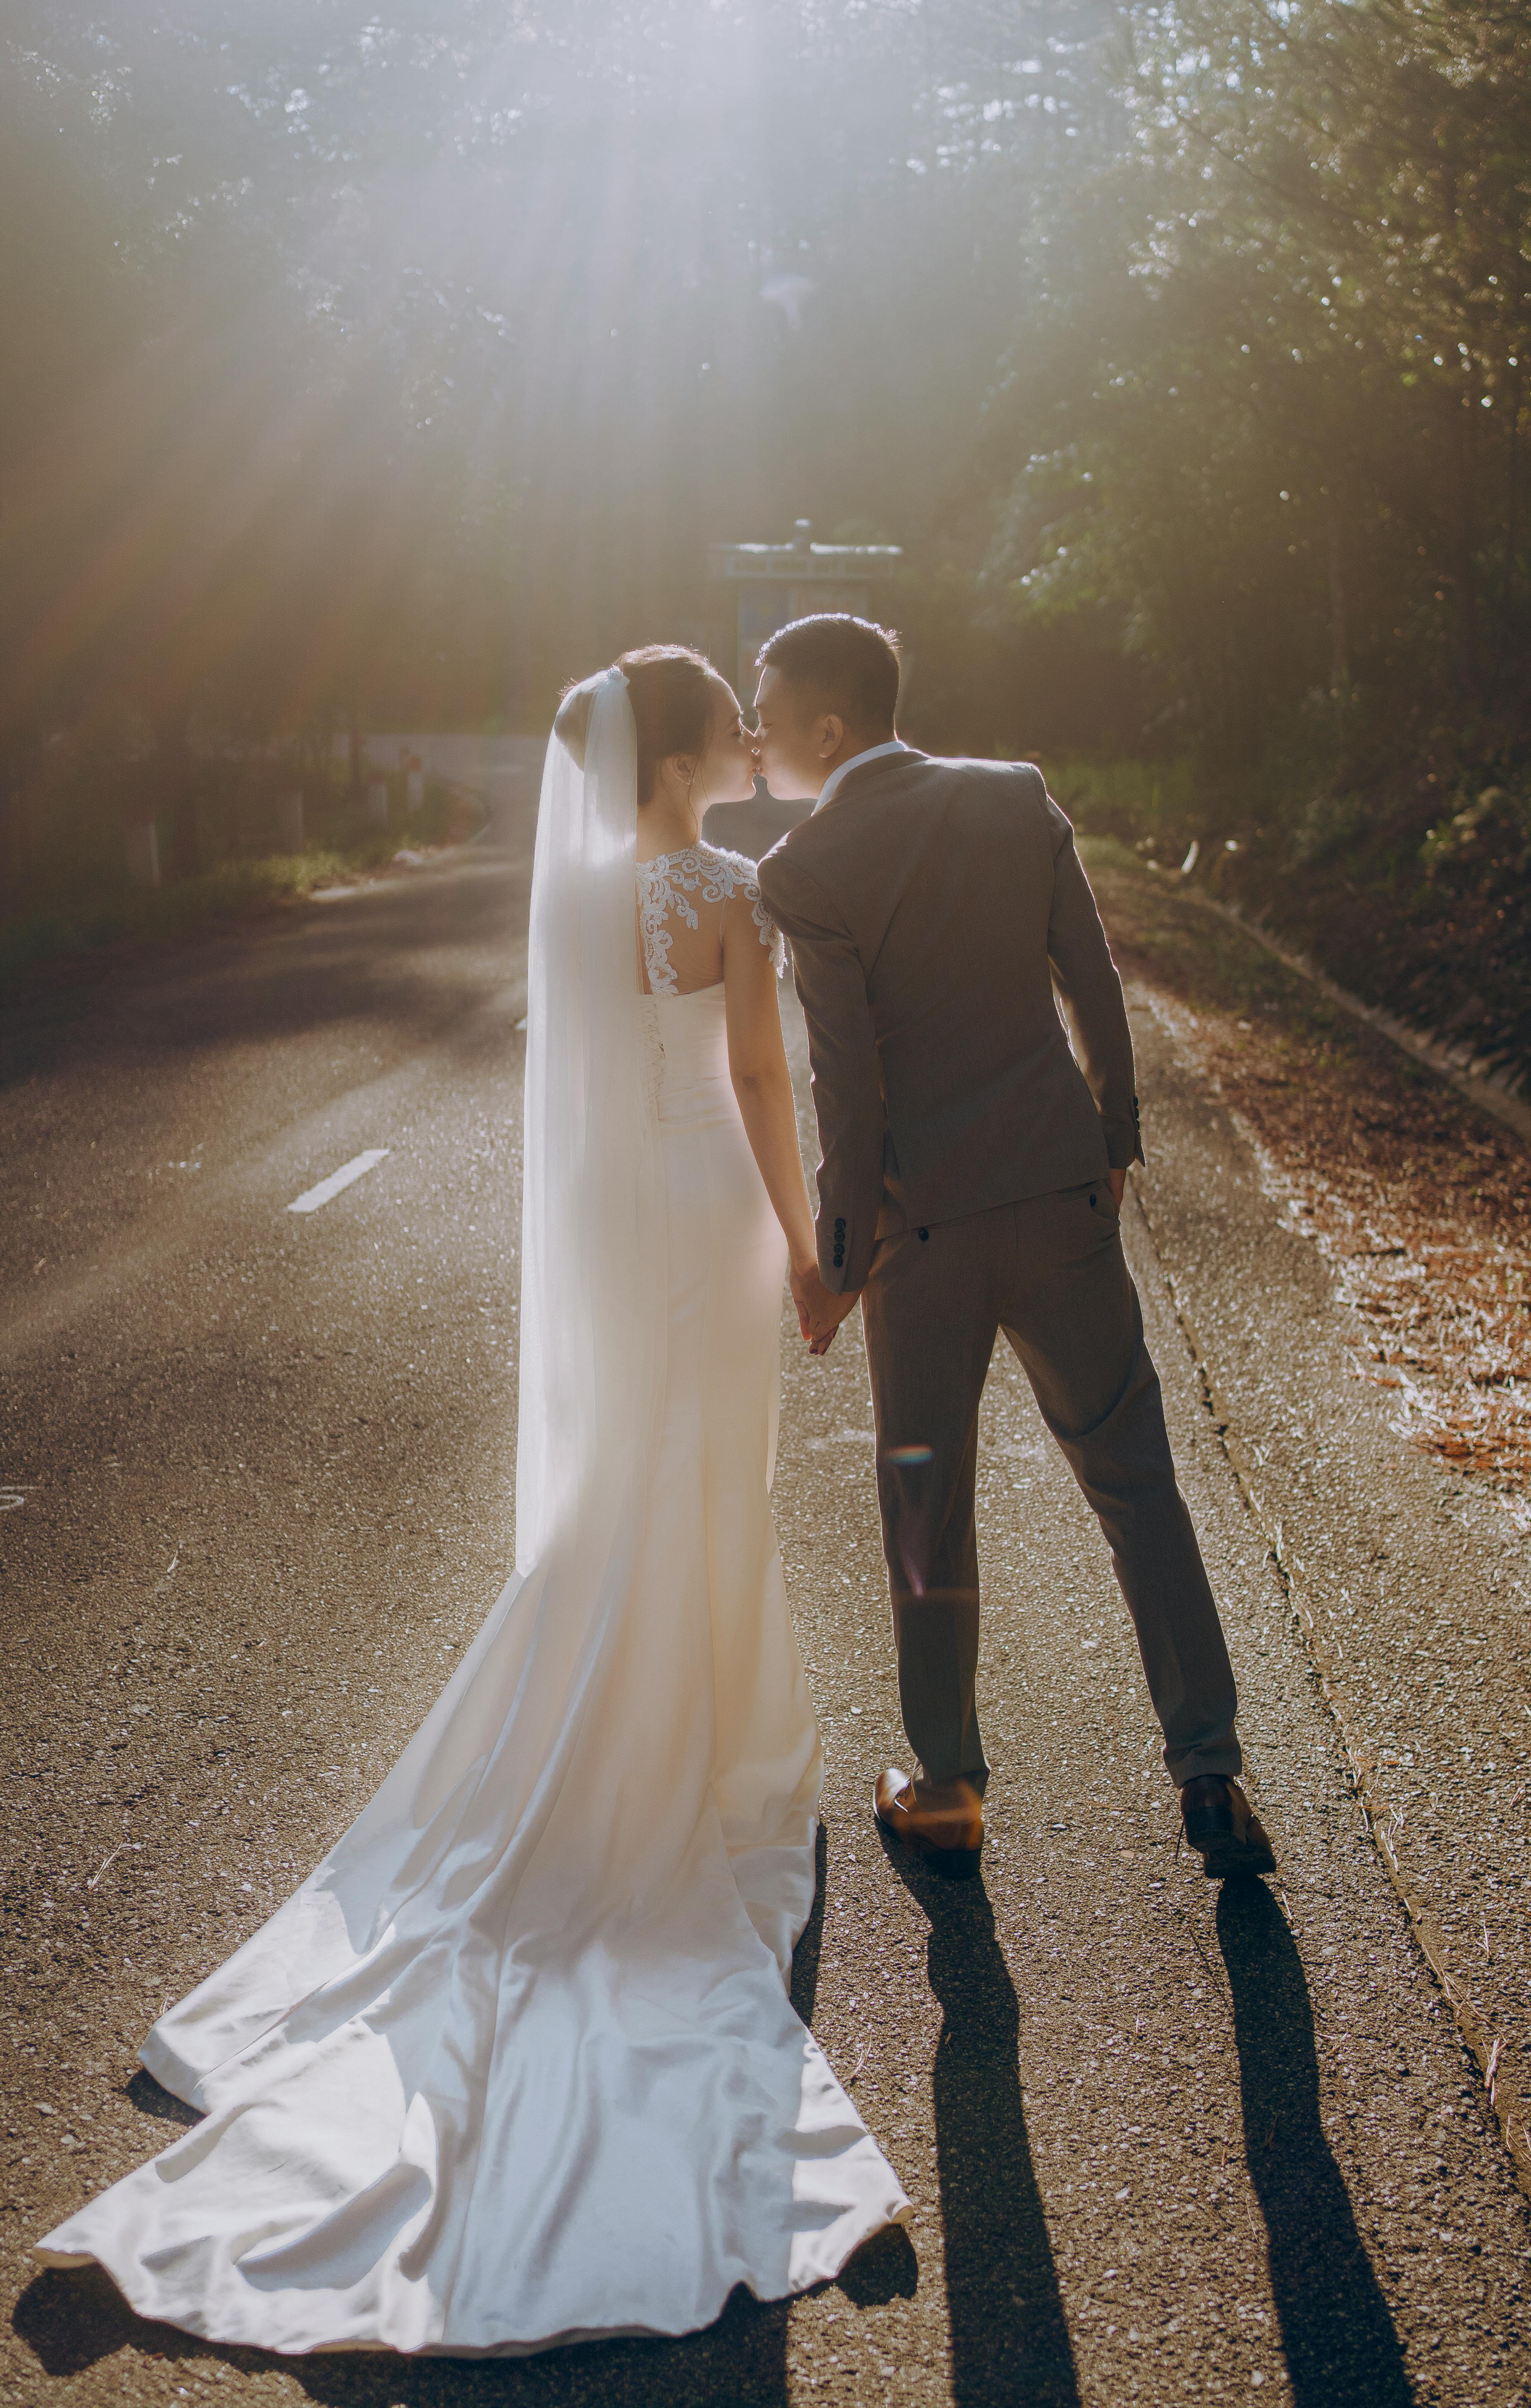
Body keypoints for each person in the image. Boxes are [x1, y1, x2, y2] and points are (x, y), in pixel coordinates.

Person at [35, 649, 907, 2355]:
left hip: (619, 1216)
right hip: (712, 1205)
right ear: (672, 754)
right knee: (706, 1480)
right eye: (723, 714)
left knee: (630, 1483)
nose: (749, 726)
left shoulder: (583, 899)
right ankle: (702, 1753)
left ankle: (643, 1728)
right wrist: (809, 1248)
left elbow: (580, 1092)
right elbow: (758, 1082)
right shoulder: (727, 891)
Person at [752, 614, 1276, 1880]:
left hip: (922, 1238)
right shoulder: (1014, 797)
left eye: (767, 711)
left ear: (828, 728)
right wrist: (1112, 1137)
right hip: (1060, 1199)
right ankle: (1210, 1771)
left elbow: (849, 1083)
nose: (754, 735)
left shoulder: (805, 867)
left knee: (928, 1510)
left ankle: (947, 1791)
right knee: (1136, 1478)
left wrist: (836, 1260)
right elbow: (1092, 980)